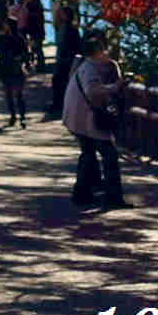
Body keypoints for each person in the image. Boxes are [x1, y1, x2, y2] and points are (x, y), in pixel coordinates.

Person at [62, 31, 129, 210]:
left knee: (88, 153)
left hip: (76, 117)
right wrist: (115, 87)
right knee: (109, 155)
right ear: (97, 51)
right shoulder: (90, 69)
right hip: (85, 118)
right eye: (103, 50)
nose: (106, 52)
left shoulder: (85, 66)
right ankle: (113, 197)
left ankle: (81, 193)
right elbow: (92, 91)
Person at [0, 19, 29, 127]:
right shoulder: (1, 37)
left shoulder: (19, 38)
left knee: (18, 95)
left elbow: (25, 54)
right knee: (9, 95)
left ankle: (22, 117)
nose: (4, 27)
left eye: (6, 25)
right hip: (6, 69)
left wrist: (23, 61)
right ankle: (13, 116)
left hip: (16, 69)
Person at [20, 0, 46, 70]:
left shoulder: (30, 5)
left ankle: (40, 65)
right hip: (35, 30)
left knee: (37, 48)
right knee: (36, 48)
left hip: (35, 30)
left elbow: (31, 18)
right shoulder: (35, 5)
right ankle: (39, 64)